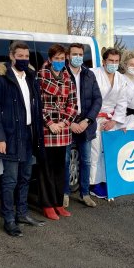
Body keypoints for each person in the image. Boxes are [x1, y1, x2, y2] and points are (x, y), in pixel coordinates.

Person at [0, 41, 45, 237]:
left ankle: (23, 213)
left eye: (27, 56)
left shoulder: (30, 77)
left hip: (29, 135)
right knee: (10, 180)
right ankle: (9, 219)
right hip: (10, 136)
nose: (24, 60)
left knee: (26, 177)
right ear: (11, 56)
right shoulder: (0, 78)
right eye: (20, 56)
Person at [37, 44, 78, 220]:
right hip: (47, 130)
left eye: (62, 59)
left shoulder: (68, 77)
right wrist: (50, 123)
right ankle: (47, 205)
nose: (60, 62)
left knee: (60, 169)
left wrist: (64, 122)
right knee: (46, 169)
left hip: (62, 130)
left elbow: (73, 104)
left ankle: (58, 203)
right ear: (50, 59)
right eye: (57, 59)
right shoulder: (40, 76)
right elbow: (37, 104)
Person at [63, 43, 102, 208]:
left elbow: (97, 99)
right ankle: (64, 193)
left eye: (80, 54)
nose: (77, 57)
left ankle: (84, 193)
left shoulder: (89, 74)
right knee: (64, 160)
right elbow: (56, 102)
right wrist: (69, 122)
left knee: (85, 161)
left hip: (86, 123)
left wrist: (88, 120)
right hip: (67, 123)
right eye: (74, 54)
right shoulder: (61, 74)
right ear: (68, 56)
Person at [89, 48, 128, 199]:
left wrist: (115, 121)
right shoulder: (93, 74)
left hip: (112, 119)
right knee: (96, 152)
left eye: (116, 61)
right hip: (95, 117)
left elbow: (122, 102)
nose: (113, 64)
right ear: (104, 61)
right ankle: (93, 184)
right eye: (110, 61)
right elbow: (88, 97)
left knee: (110, 152)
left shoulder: (121, 78)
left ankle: (107, 182)